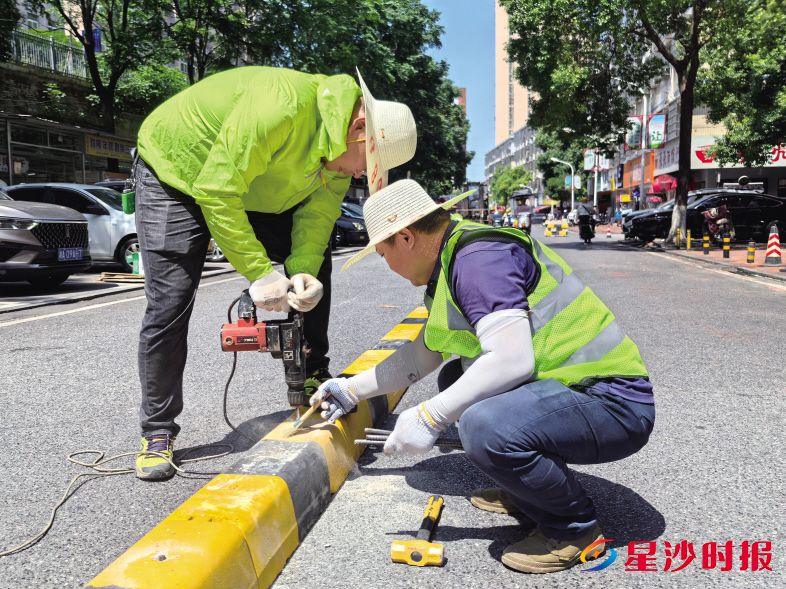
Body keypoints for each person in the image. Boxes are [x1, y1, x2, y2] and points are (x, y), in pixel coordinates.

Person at [311, 179, 655, 574]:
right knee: (456, 380)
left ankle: (573, 528)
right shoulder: (453, 260)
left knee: (482, 424)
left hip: (612, 402)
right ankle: (528, 491)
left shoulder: (476, 260)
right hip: (570, 390)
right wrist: (350, 388)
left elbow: (512, 360)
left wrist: (429, 416)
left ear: (405, 237)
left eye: (383, 252)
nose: (386, 264)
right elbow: (423, 355)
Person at [132, 66, 417, 480]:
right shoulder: (279, 106)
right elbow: (216, 188)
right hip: (175, 172)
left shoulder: (339, 151)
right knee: (170, 301)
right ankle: (158, 430)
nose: (359, 174)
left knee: (317, 266)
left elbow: (316, 218)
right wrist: (259, 273)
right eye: (365, 163)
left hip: (248, 187)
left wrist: (301, 276)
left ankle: (312, 375)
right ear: (358, 127)